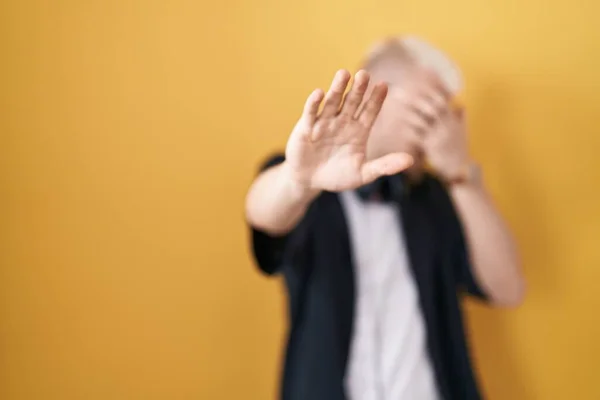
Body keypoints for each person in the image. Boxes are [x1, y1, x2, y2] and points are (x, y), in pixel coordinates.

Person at [245, 36, 525, 400]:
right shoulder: (305, 178)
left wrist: (459, 173)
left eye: (444, 112)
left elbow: (508, 289)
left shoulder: (437, 197)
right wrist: (298, 180)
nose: (437, 126)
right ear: (378, 92)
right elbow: (262, 213)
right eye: (427, 108)